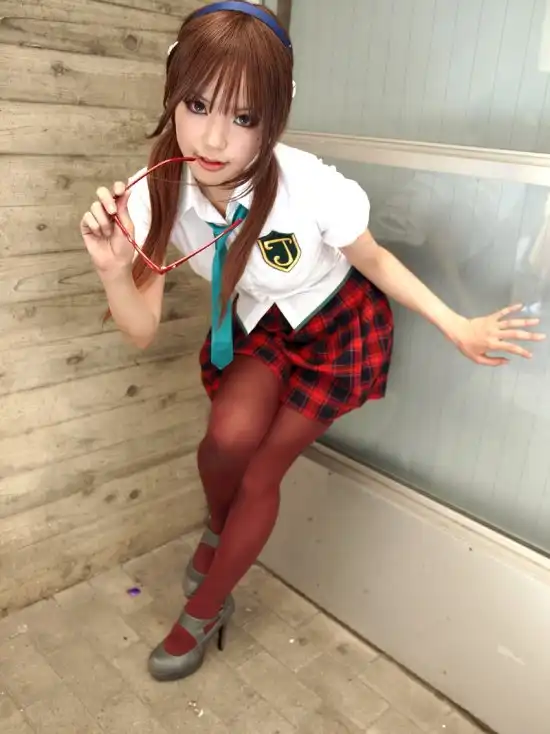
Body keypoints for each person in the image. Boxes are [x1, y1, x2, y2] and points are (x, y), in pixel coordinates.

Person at [79, 1, 545, 682]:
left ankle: (204, 611)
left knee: (261, 471)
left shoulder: (309, 185)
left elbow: (374, 259)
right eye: (198, 105)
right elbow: (142, 329)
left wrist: (456, 324)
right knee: (225, 441)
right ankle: (219, 527)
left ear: (274, 119)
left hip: (337, 326)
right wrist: (114, 272)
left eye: (244, 118)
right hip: (264, 323)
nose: (214, 138)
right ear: (172, 92)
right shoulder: (156, 196)